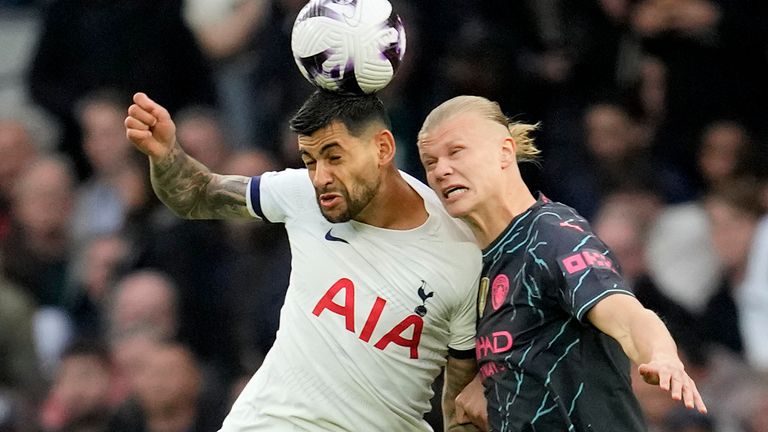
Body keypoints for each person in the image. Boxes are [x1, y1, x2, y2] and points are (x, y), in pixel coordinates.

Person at [125, 91, 482, 431]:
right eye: (310, 161)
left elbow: (460, 400)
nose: (321, 177)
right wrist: (166, 152)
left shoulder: (460, 255)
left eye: (334, 157)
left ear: (383, 148)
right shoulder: (305, 195)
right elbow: (197, 195)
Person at [416, 95, 708, 431]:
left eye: (456, 151)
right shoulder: (476, 261)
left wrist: (662, 356)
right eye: (429, 161)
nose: (441, 170)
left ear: (505, 152)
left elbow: (625, 314)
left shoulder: (552, 235)